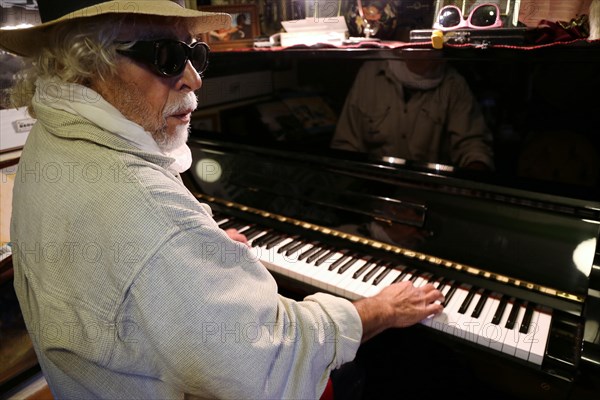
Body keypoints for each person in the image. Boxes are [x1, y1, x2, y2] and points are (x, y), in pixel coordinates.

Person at [1, 1, 444, 399]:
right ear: (87, 67)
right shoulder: (146, 208)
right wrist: (378, 310)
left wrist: (195, 254)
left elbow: (140, 258)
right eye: (166, 57)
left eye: (194, 53)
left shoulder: (50, 140)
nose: (194, 78)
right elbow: (267, 364)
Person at [331, 57, 495, 171]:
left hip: (431, 197)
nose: (429, 48)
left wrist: (476, 168)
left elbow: (473, 145)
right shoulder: (370, 73)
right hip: (375, 195)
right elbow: (346, 144)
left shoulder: (454, 84)